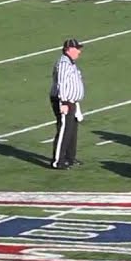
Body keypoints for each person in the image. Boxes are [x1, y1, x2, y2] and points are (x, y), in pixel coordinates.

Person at [49, 39, 85, 170]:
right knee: (64, 129)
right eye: (77, 48)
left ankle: (69, 158)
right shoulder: (64, 63)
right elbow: (62, 83)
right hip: (64, 101)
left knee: (72, 129)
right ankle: (58, 161)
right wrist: (64, 102)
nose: (79, 51)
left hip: (71, 101)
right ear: (69, 49)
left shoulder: (71, 63)